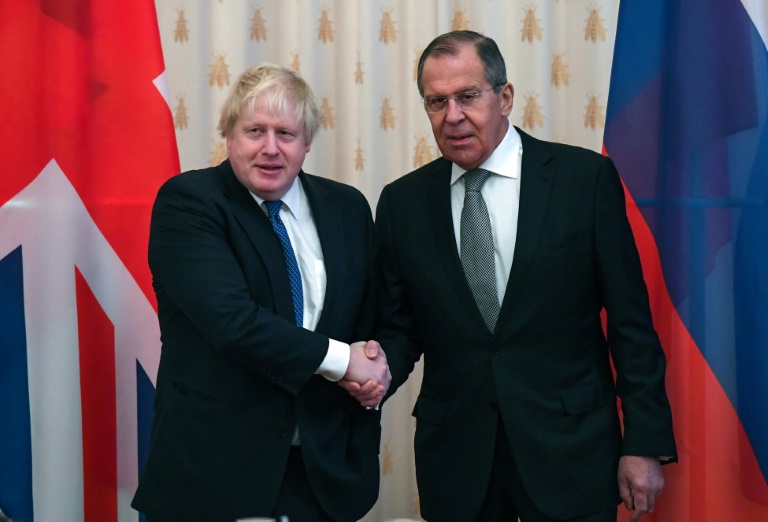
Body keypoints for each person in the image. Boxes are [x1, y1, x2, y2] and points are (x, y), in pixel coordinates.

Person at [369, 30, 677, 521]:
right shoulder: (402, 203)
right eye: (436, 101)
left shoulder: (583, 181)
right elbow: (401, 327)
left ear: (505, 97)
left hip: (570, 452)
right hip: (459, 461)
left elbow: (631, 325)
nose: (452, 116)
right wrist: (369, 372)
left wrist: (643, 443)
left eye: (468, 96)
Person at [132, 64, 390, 522]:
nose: (271, 148)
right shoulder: (189, 201)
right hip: (214, 474)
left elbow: (373, 318)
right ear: (228, 136)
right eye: (255, 131)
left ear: (306, 143)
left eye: (286, 133)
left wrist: (374, 373)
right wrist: (343, 361)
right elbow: (232, 321)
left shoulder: (347, 207)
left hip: (322, 473)